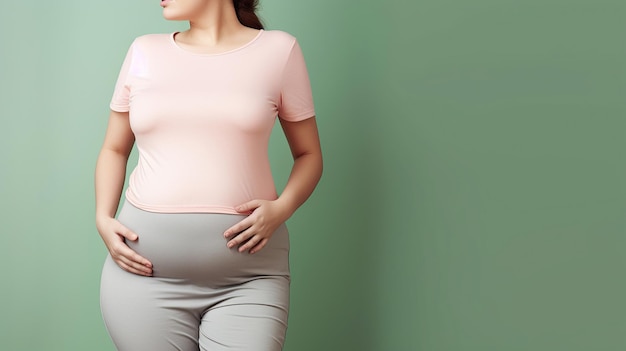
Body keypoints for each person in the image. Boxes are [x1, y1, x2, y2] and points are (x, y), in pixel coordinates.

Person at [94, 0, 322, 349]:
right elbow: (114, 148)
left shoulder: (279, 50)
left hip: (248, 279)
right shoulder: (144, 51)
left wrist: (282, 208)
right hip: (142, 279)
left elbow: (309, 155)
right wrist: (102, 217)